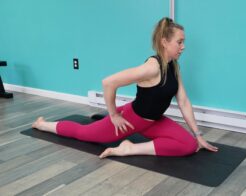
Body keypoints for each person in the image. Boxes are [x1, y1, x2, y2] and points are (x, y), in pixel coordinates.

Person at [32, 17, 218, 158]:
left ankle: (129, 148)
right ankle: (43, 124)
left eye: (183, 42)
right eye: (179, 42)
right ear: (164, 42)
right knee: (84, 133)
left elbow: (183, 101)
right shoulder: (152, 67)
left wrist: (198, 134)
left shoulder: (174, 66)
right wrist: (113, 115)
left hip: (154, 121)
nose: (183, 47)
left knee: (190, 145)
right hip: (132, 119)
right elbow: (108, 82)